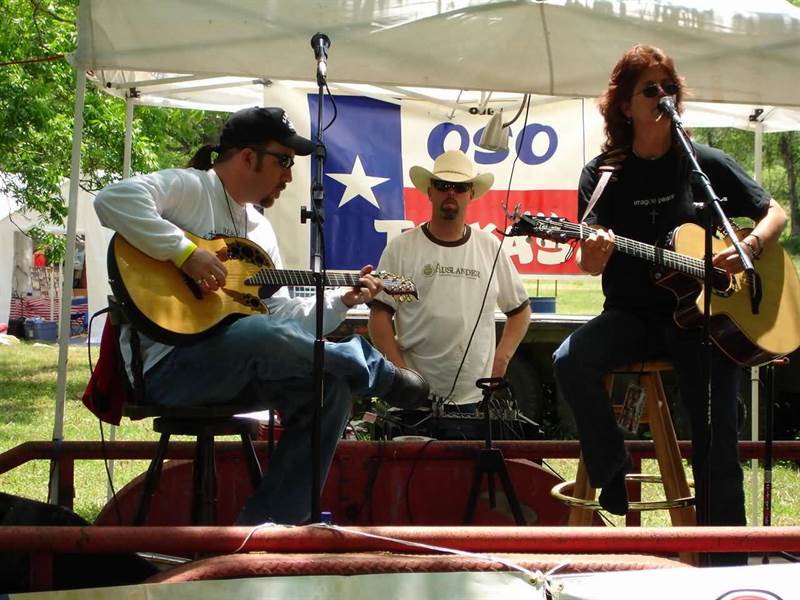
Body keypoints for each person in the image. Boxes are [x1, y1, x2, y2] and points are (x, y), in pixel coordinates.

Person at [94, 106, 429, 525]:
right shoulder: (191, 187)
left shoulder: (260, 229)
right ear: (247, 157)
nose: (290, 176)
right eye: (283, 161)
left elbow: (283, 318)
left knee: (329, 389)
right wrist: (185, 254)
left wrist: (342, 301)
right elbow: (112, 199)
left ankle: (271, 525)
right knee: (255, 332)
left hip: (236, 367)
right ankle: (376, 371)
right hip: (169, 370)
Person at [552, 45, 787, 565]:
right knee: (570, 358)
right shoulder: (604, 173)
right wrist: (593, 252)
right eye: (650, 89)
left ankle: (725, 564)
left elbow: (774, 211)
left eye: (669, 87)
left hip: (703, 320)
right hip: (632, 316)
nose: (663, 96)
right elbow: (590, 265)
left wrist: (748, 247)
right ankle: (612, 466)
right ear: (624, 106)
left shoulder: (703, 164)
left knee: (714, 429)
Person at [369, 150, 530, 412]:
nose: (451, 193)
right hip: (415, 398)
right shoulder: (403, 249)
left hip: (474, 397)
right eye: (443, 186)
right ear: (430, 192)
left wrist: (501, 361)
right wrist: (402, 375)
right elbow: (381, 316)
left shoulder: (489, 248)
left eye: (459, 187)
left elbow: (520, 312)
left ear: (472, 193)